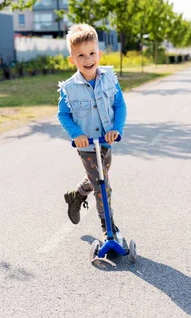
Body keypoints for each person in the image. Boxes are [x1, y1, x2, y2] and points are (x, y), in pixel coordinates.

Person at [57, 24, 127, 237]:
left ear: (100, 54)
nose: (88, 60)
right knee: (103, 186)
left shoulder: (109, 78)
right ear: (72, 59)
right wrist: (76, 134)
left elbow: (120, 106)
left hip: (105, 141)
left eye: (92, 53)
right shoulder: (69, 88)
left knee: (99, 177)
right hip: (86, 145)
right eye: (81, 55)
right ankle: (108, 227)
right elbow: (63, 115)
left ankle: (76, 195)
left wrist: (116, 128)